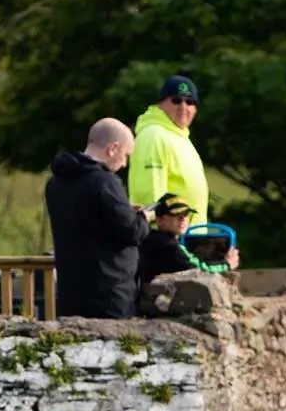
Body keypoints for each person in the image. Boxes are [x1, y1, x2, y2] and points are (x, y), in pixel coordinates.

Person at [44, 118, 154, 318]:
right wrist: (143, 217)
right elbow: (131, 231)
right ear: (112, 148)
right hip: (110, 295)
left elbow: (88, 218)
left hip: (71, 292)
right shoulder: (105, 182)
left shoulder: (56, 182)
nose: (124, 164)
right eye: (125, 155)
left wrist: (123, 210)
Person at [128, 74, 210, 226]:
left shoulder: (180, 138)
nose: (183, 107)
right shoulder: (154, 135)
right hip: (164, 241)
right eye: (176, 100)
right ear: (160, 104)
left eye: (190, 102)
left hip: (187, 240)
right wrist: (159, 239)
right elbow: (149, 193)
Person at [137, 194, 240, 289]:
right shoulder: (169, 245)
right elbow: (199, 270)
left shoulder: (149, 237)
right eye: (176, 214)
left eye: (186, 213)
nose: (183, 218)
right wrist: (227, 264)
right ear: (159, 220)